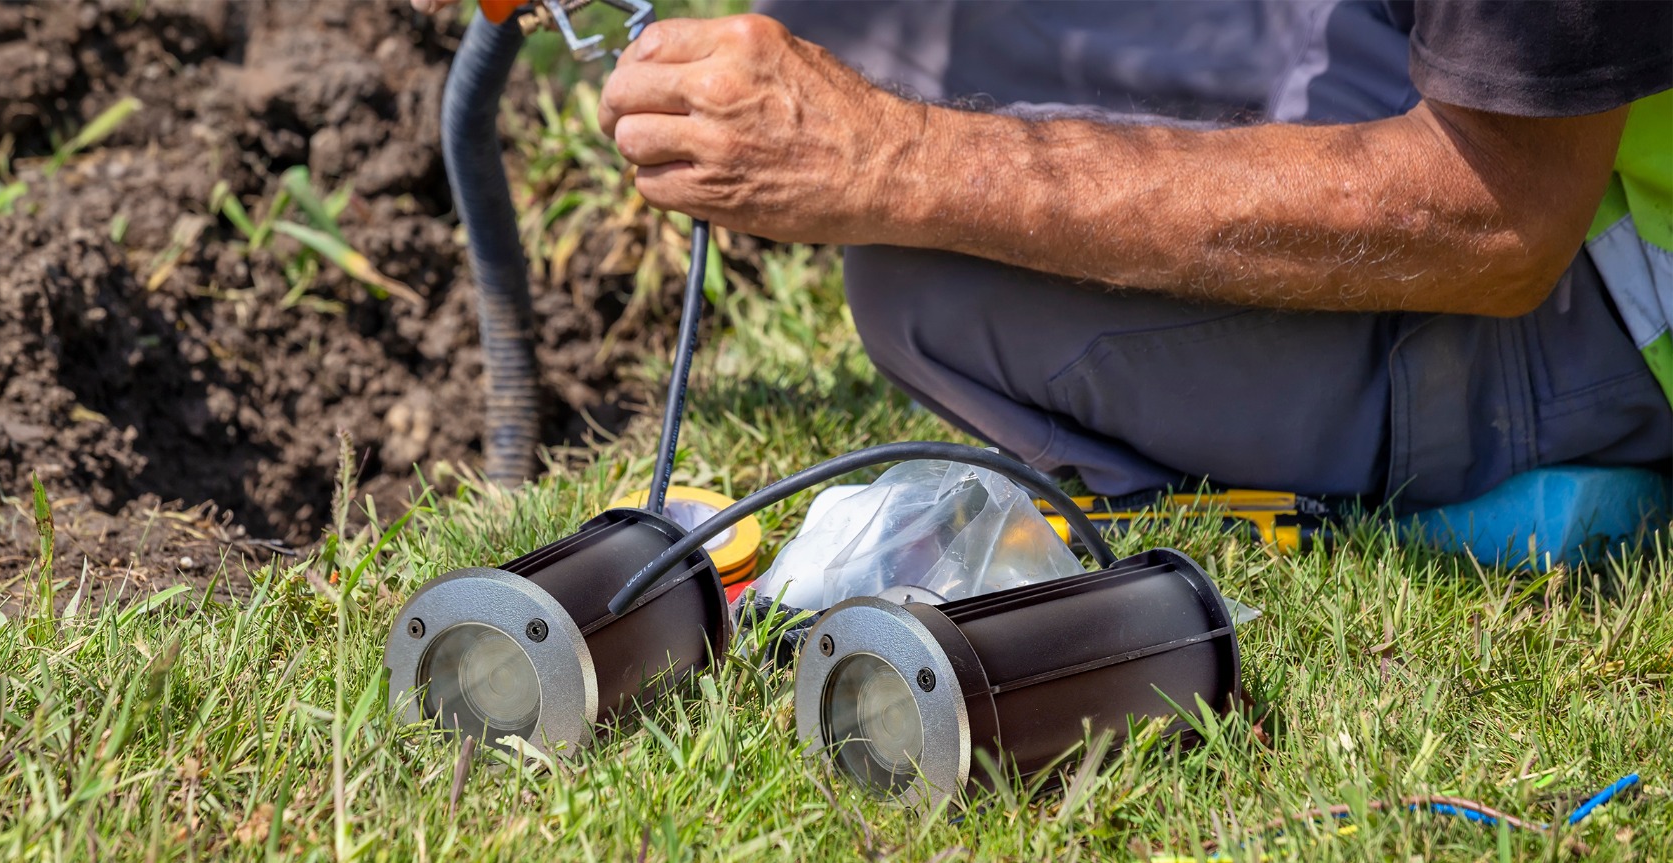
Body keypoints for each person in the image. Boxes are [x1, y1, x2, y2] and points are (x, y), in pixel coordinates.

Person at [431, 0, 1673, 511]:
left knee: (926, 277)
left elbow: (1498, 221)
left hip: (1599, 284)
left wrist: (895, 162)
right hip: (1414, 44)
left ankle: (1485, 479)